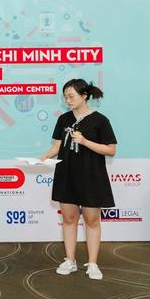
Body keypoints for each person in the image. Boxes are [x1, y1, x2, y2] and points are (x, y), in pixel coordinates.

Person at [39, 79, 117, 280]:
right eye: (65, 96)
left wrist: (84, 141)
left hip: (92, 176)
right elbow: (57, 146)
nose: (68, 100)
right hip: (66, 174)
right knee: (68, 219)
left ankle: (93, 263)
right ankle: (70, 260)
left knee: (92, 220)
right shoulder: (63, 119)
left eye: (72, 96)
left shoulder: (100, 120)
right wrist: (44, 157)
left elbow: (111, 150)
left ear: (84, 96)